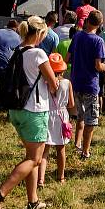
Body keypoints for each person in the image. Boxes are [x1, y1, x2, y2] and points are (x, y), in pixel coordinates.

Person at [0, 16, 58, 209]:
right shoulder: (39, 54)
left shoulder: (17, 51)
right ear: (39, 34)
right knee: (34, 159)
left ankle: (33, 201)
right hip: (34, 111)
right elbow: (53, 85)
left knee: (31, 157)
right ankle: (0, 193)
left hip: (16, 109)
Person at [67, 9, 105, 159]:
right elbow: (98, 65)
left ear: (87, 20)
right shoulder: (98, 41)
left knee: (80, 116)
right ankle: (85, 150)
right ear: (100, 24)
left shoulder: (77, 36)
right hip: (90, 84)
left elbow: (68, 57)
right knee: (91, 120)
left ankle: (77, 143)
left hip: (76, 82)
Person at [38, 53, 74, 188]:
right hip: (62, 116)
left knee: (44, 150)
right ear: (63, 69)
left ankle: (41, 179)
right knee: (61, 149)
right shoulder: (67, 83)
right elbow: (71, 104)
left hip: (47, 115)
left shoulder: (43, 83)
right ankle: (61, 176)